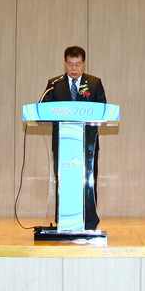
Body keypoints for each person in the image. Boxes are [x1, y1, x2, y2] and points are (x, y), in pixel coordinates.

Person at [42, 45, 108, 229]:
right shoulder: (54, 84)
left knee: (88, 181)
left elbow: (103, 109)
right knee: (64, 181)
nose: (74, 68)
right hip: (63, 143)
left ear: (83, 63)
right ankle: (64, 221)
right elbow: (44, 109)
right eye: (70, 64)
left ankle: (89, 222)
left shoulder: (94, 83)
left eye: (78, 64)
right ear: (65, 63)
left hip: (87, 143)